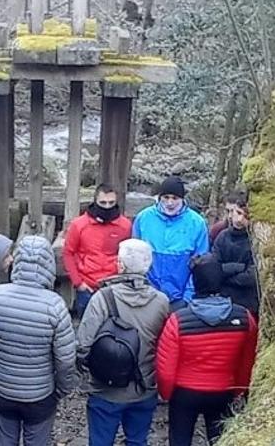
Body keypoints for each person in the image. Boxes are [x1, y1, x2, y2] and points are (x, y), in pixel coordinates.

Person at [0, 235, 76, 446]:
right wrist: (62, 389)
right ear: (48, 264)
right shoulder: (55, 306)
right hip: (39, 394)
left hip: (3, 389)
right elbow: (65, 360)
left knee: (5, 440)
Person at [156, 254, 258, 446]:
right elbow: (248, 361)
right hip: (224, 391)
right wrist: (239, 390)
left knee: (180, 440)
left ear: (194, 282)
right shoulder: (244, 318)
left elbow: (165, 368)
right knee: (221, 440)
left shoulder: (178, 320)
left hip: (185, 393)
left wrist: (167, 394)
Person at [77, 239, 169, 446]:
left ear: (120, 265)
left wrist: (87, 371)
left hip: (106, 389)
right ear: (148, 265)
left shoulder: (102, 298)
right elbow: (165, 346)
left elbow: (83, 344)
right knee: (137, 441)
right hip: (144, 387)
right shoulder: (162, 301)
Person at [132, 175, 209, 309]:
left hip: (180, 299)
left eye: (175, 198)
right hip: (147, 296)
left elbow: (201, 264)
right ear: (159, 197)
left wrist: (187, 297)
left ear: (183, 199)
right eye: (166, 198)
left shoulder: (197, 223)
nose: (170, 203)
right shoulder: (143, 218)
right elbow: (134, 258)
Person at [61, 183, 132, 317]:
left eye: (111, 203)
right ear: (95, 201)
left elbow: (128, 256)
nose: (107, 207)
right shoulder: (79, 225)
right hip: (87, 287)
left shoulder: (125, 226)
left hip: (114, 288)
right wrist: (78, 283)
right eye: (103, 202)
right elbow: (68, 253)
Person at [212, 196, 260, 317]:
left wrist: (226, 277)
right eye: (237, 213)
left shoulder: (256, 241)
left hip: (249, 304)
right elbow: (214, 268)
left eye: (245, 216)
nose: (239, 219)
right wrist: (238, 267)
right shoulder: (222, 237)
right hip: (223, 301)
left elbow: (252, 276)